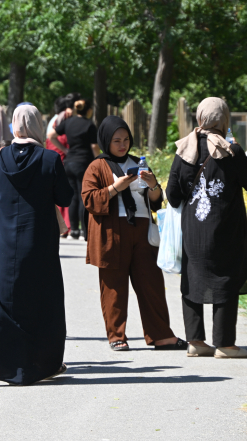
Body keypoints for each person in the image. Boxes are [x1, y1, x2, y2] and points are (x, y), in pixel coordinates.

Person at [0, 105, 74, 385]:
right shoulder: (49, 159)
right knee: (41, 302)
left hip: (4, 240)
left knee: (2, 300)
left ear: (14, 126)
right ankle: (40, 364)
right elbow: (64, 199)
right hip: (39, 241)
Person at [166, 98, 247, 358]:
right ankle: (225, 344)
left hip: (194, 230)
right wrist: (239, 152)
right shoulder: (230, 151)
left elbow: (173, 196)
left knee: (193, 278)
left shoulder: (184, 149)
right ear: (224, 120)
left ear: (199, 118)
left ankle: (196, 341)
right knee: (226, 279)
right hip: (225, 229)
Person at [82, 116, 186, 352]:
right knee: (113, 287)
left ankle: (161, 336)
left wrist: (152, 185)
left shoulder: (138, 163)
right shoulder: (97, 166)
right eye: (116, 140)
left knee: (151, 283)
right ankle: (117, 336)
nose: (122, 145)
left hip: (142, 231)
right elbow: (89, 200)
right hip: (111, 231)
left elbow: (155, 201)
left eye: (126, 139)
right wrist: (116, 187)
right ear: (105, 141)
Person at [48, 98, 98, 240]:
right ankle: (84, 231)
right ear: (88, 110)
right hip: (84, 162)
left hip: (69, 162)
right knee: (84, 196)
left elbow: (51, 135)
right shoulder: (89, 124)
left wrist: (64, 149)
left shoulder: (68, 122)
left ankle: (74, 230)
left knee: (74, 196)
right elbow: (94, 146)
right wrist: (99, 160)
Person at [47, 95, 72, 236]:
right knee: (63, 189)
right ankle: (66, 225)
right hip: (61, 155)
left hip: (53, 154)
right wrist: (66, 150)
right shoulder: (64, 117)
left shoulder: (54, 119)